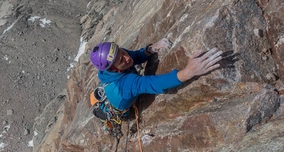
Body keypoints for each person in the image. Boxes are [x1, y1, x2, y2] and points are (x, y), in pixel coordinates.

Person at [89, 38, 223, 111]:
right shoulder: (126, 84)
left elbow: (134, 56)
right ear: (113, 68)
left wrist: (150, 49)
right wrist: (188, 72)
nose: (126, 57)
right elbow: (152, 84)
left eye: (122, 52)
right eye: (121, 60)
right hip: (122, 103)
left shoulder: (117, 57)